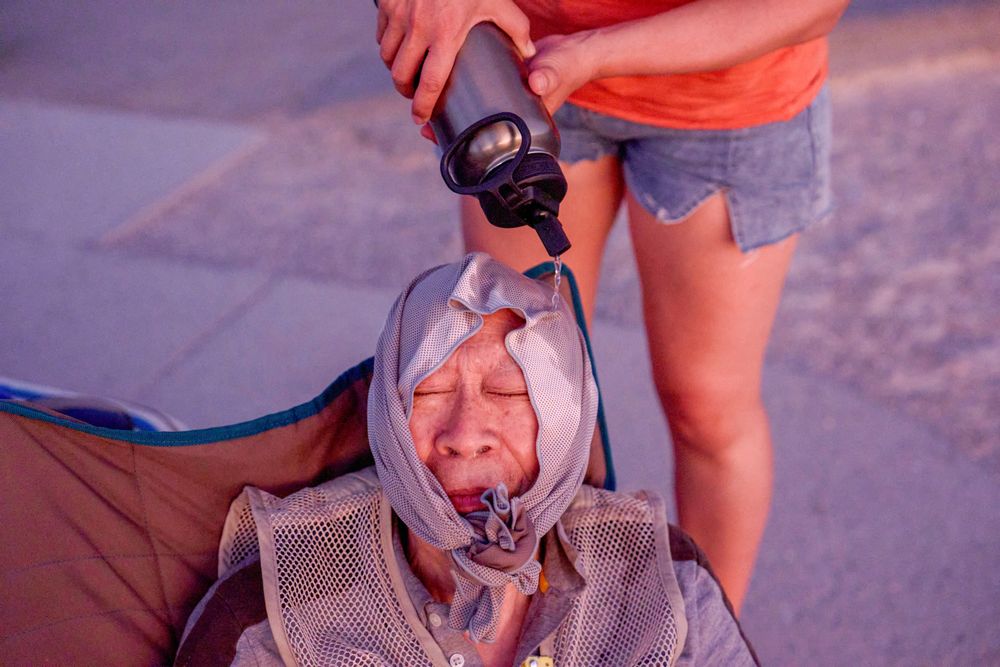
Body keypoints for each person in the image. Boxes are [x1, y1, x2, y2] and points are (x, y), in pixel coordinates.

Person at [374, 0, 850, 612]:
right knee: (517, 392)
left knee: (705, 404)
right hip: (511, 66)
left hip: (730, 91)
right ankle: (526, 624)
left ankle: (704, 638)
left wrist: (593, 53)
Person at [175, 253, 757, 666]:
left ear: (566, 417)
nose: (464, 434)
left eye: (506, 393)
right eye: (426, 393)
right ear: (387, 414)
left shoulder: (662, 578)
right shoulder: (274, 609)